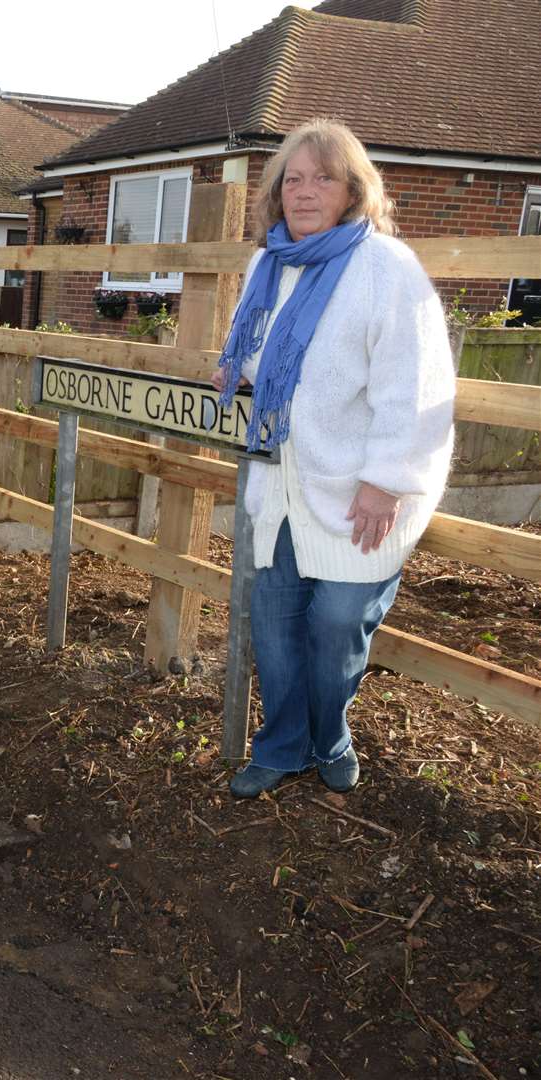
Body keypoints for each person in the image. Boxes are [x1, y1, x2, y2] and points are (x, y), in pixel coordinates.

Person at [211, 118, 455, 798]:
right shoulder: (270, 263)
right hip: (284, 482)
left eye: (324, 178)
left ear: (353, 191)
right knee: (277, 623)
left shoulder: (386, 269)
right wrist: (244, 374)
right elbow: (270, 356)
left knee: (337, 621)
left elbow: (417, 385)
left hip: (362, 487)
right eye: (293, 178)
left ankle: (331, 737)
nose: (305, 191)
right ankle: (283, 747)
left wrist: (387, 481)